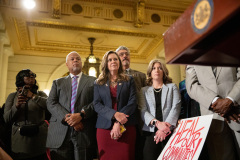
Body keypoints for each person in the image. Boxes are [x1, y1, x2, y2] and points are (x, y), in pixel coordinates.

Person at [46, 51, 97, 160]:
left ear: (81, 63)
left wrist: (81, 115)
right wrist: (69, 119)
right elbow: (51, 103)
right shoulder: (57, 82)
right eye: (72, 59)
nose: (75, 60)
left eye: (78, 59)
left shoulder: (93, 81)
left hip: (84, 131)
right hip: (60, 132)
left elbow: (97, 102)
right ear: (67, 64)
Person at [185, 65, 240, 160]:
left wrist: (230, 100)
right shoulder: (192, 57)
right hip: (213, 118)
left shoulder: (234, 49)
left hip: (237, 111)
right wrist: (215, 102)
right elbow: (192, 86)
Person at [93, 50, 137, 160]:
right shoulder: (98, 82)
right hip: (104, 128)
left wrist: (118, 121)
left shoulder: (129, 79)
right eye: (110, 60)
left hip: (126, 126)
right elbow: (97, 104)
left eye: (115, 59)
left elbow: (132, 102)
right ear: (105, 64)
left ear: (119, 62)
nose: (113, 61)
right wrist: (114, 114)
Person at [138, 59, 181, 160]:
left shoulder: (172, 87)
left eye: (160, 68)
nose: (157, 70)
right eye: (154, 68)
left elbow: (176, 107)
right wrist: (158, 124)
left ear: (164, 72)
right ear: (150, 72)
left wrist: (164, 128)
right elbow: (143, 110)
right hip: (150, 131)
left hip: (169, 130)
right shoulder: (143, 90)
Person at [4, 69, 48, 160]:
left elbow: (49, 106)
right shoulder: (12, 96)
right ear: (20, 79)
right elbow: (6, 118)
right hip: (20, 140)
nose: (32, 77)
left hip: (39, 139)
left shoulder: (41, 94)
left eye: (33, 76)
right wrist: (16, 106)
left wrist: (33, 96)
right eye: (28, 76)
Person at [116, 46, 146, 160]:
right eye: (121, 54)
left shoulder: (141, 76)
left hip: (138, 121)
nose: (124, 56)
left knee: (138, 153)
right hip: (118, 119)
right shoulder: (112, 76)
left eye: (126, 54)